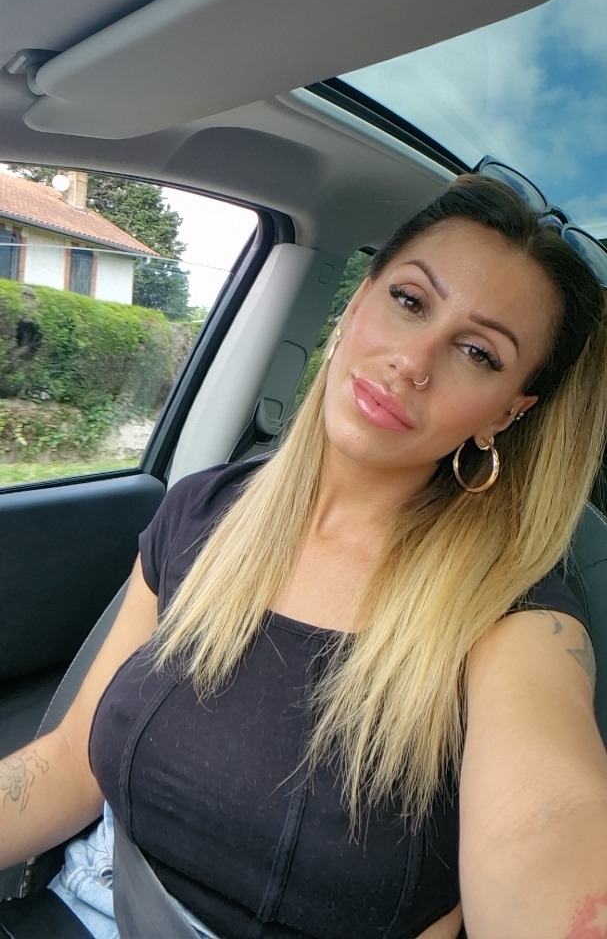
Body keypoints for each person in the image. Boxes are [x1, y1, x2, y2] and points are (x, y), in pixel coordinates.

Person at [1, 174, 606, 939]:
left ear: (506, 413)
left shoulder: (513, 621)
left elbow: (547, 826)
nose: (412, 360)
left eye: (477, 352)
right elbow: (70, 761)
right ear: (356, 304)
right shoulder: (205, 510)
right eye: (409, 300)